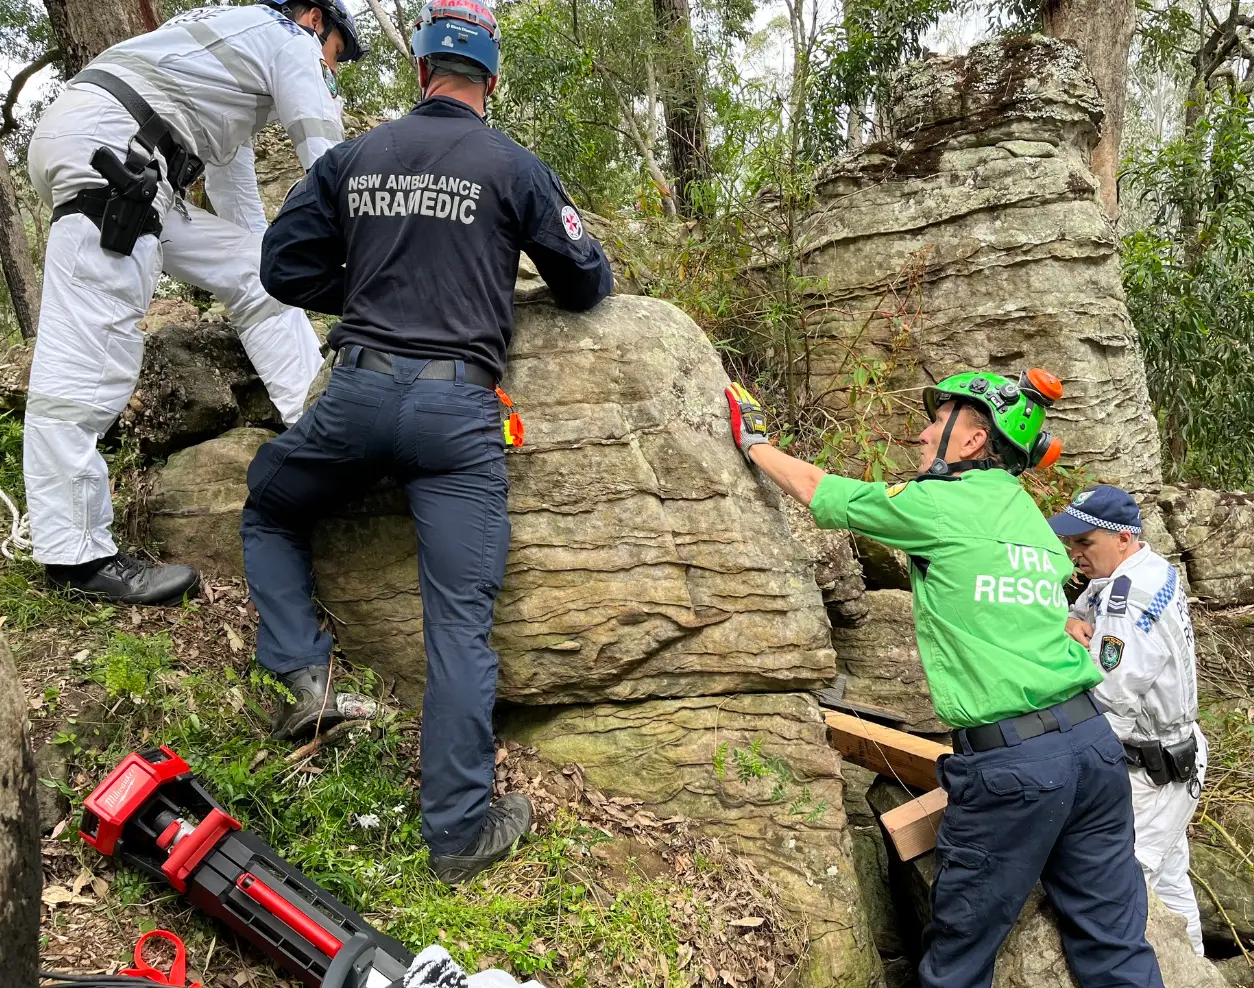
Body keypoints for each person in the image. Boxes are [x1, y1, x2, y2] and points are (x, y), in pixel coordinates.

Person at [242, 0, 613, 885]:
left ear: (419, 74)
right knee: (457, 622)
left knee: (268, 507)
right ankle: (456, 833)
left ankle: (303, 676)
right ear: (491, 79)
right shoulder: (513, 165)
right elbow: (586, 282)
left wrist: (370, 293)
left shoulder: (353, 158)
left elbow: (279, 266)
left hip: (359, 392)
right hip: (457, 417)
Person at [723, 374, 1164, 988]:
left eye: (939, 421)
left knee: (958, 960)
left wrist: (756, 444)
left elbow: (822, 490)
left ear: (971, 440)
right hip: (1092, 748)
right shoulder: (1031, 521)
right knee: (1115, 947)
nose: (924, 431)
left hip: (1014, 768)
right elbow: (1032, 597)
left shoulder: (938, 504)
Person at [24, 0, 364, 605]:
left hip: (124, 150)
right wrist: (373, 255)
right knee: (92, 353)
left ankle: (313, 420)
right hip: (114, 151)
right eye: (336, 56)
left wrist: (284, 268)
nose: (330, 71)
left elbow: (241, 206)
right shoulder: (288, 39)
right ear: (317, 19)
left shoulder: (231, 58)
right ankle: (76, 556)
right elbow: (326, 154)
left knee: (257, 273)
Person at [1049, 485, 1207, 954]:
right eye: (1070, 543)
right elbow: (1083, 611)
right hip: (1172, 756)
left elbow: (1110, 700)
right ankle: (1198, 973)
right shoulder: (1146, 568)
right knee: (1173, 881)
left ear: (1123, 537)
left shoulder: (1128, 599)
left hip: (1152, 770)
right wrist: (1064, 621)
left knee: (1126, 884)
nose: (1074, 553)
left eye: (1084, 542)